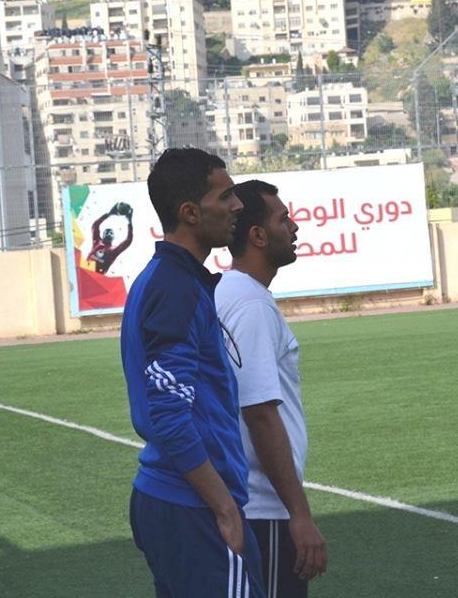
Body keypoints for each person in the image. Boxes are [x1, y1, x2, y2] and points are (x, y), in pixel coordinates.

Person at [120, 148, 265, 598]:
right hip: (192, 505)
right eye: (225, 197)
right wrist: (224, 508)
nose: (238, 206)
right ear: (189, 212)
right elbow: (168, 415)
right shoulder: (175, 287)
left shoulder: (166, 278)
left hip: (175, 501)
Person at [215, 180, 328, 598]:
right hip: (263, 507)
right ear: (258, 236)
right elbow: (260, 413)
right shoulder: (251, 304)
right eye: (284, 220)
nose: (294, 227)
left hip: (246, 502)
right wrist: (298, 514)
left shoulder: (229, 291)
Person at [88, 202, 134, 274]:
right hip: (84, 271)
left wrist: (129, 222)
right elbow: (95, 226)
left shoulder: (114, 250)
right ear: (102, 235)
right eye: (106, 232)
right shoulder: (97, 242)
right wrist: (109, 214)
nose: (109, 233)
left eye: (111, 233)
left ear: (113, 238)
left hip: (96, 277)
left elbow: (128, 241)